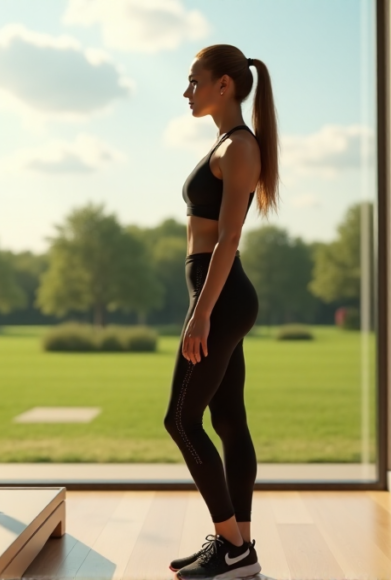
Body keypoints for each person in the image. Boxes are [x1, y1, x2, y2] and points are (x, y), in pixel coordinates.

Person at [164, 44, 278, 580]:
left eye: (194, 81)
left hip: (222, 296)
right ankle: (240, 548)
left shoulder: (239, 147)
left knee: (180, 420)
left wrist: (201, 312)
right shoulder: (228, 143)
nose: (187, 91)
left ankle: (232, 546)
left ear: (224, 85)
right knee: (227, 418)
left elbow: (230, 236)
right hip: (220, 294)